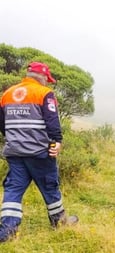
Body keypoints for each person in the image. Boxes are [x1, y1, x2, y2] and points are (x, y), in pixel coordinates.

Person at [0, 62, 78, 242]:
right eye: (47, 80)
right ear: (41, 77)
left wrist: (15, 138)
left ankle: (7, 231)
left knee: (13, 189)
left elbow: (2, 124)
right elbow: (52, 121)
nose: (47, 83)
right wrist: (57, 140)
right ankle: (59, 222)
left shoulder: (7, 94)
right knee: (49, 185)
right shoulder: (44, 93)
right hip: (39, 152)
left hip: (15, 152)